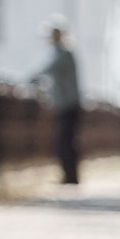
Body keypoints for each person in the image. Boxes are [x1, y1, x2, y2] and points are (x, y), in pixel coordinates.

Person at [40, 19, 82, 185]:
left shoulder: (65, 53)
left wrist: (29, 79)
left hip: (68, 104)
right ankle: (69, 175)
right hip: (64, 104)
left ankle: (70, 175)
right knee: (65, 141)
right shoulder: (61, 53)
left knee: (65, 141)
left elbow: (49, 69)